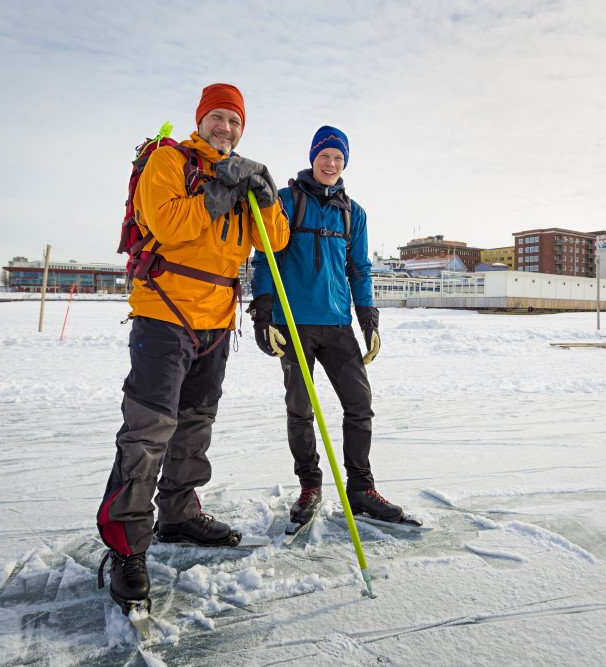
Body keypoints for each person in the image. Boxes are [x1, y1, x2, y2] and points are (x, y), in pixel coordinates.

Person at [96, 83, 290, 615]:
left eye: (235, 122)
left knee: (195, 424)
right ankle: (126, 546)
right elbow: (169, 224)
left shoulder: (243, 177)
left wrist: (265, 196)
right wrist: (219, 192)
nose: (226, 129)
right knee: (148, 430)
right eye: (218, 118)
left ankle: (178, 513)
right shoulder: (168, 160)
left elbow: (273, 241)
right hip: (164, 312)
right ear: (201, 120)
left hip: (217, 322)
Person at [249, 125, 410, 529]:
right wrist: (263, 311)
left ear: (345, 163)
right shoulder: (284, 201)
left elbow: (359, 268)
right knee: (300, 410)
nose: (331, 163)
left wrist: (368, 318)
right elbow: (265, 257)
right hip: (294, 323)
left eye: (339, 158)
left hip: (338, 325)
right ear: (313, 157)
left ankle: (360, 489)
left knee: (359, 406)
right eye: (325, 156)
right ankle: (310, 486)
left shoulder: (354, 212)